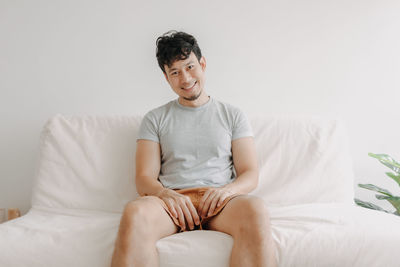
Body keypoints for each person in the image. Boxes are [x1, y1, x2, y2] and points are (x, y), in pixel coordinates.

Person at [111, 30, 277, 267]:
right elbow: (144, 178)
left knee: (256, 208)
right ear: (166, 78)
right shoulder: (154, 119)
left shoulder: (233, 115)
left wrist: (226, 192)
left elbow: (250, 172)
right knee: (134, 213)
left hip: (220, 203)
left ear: (202, 64)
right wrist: (166, 195)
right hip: (171, 203)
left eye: (190, 67)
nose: (185, 79)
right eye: (175, 72)